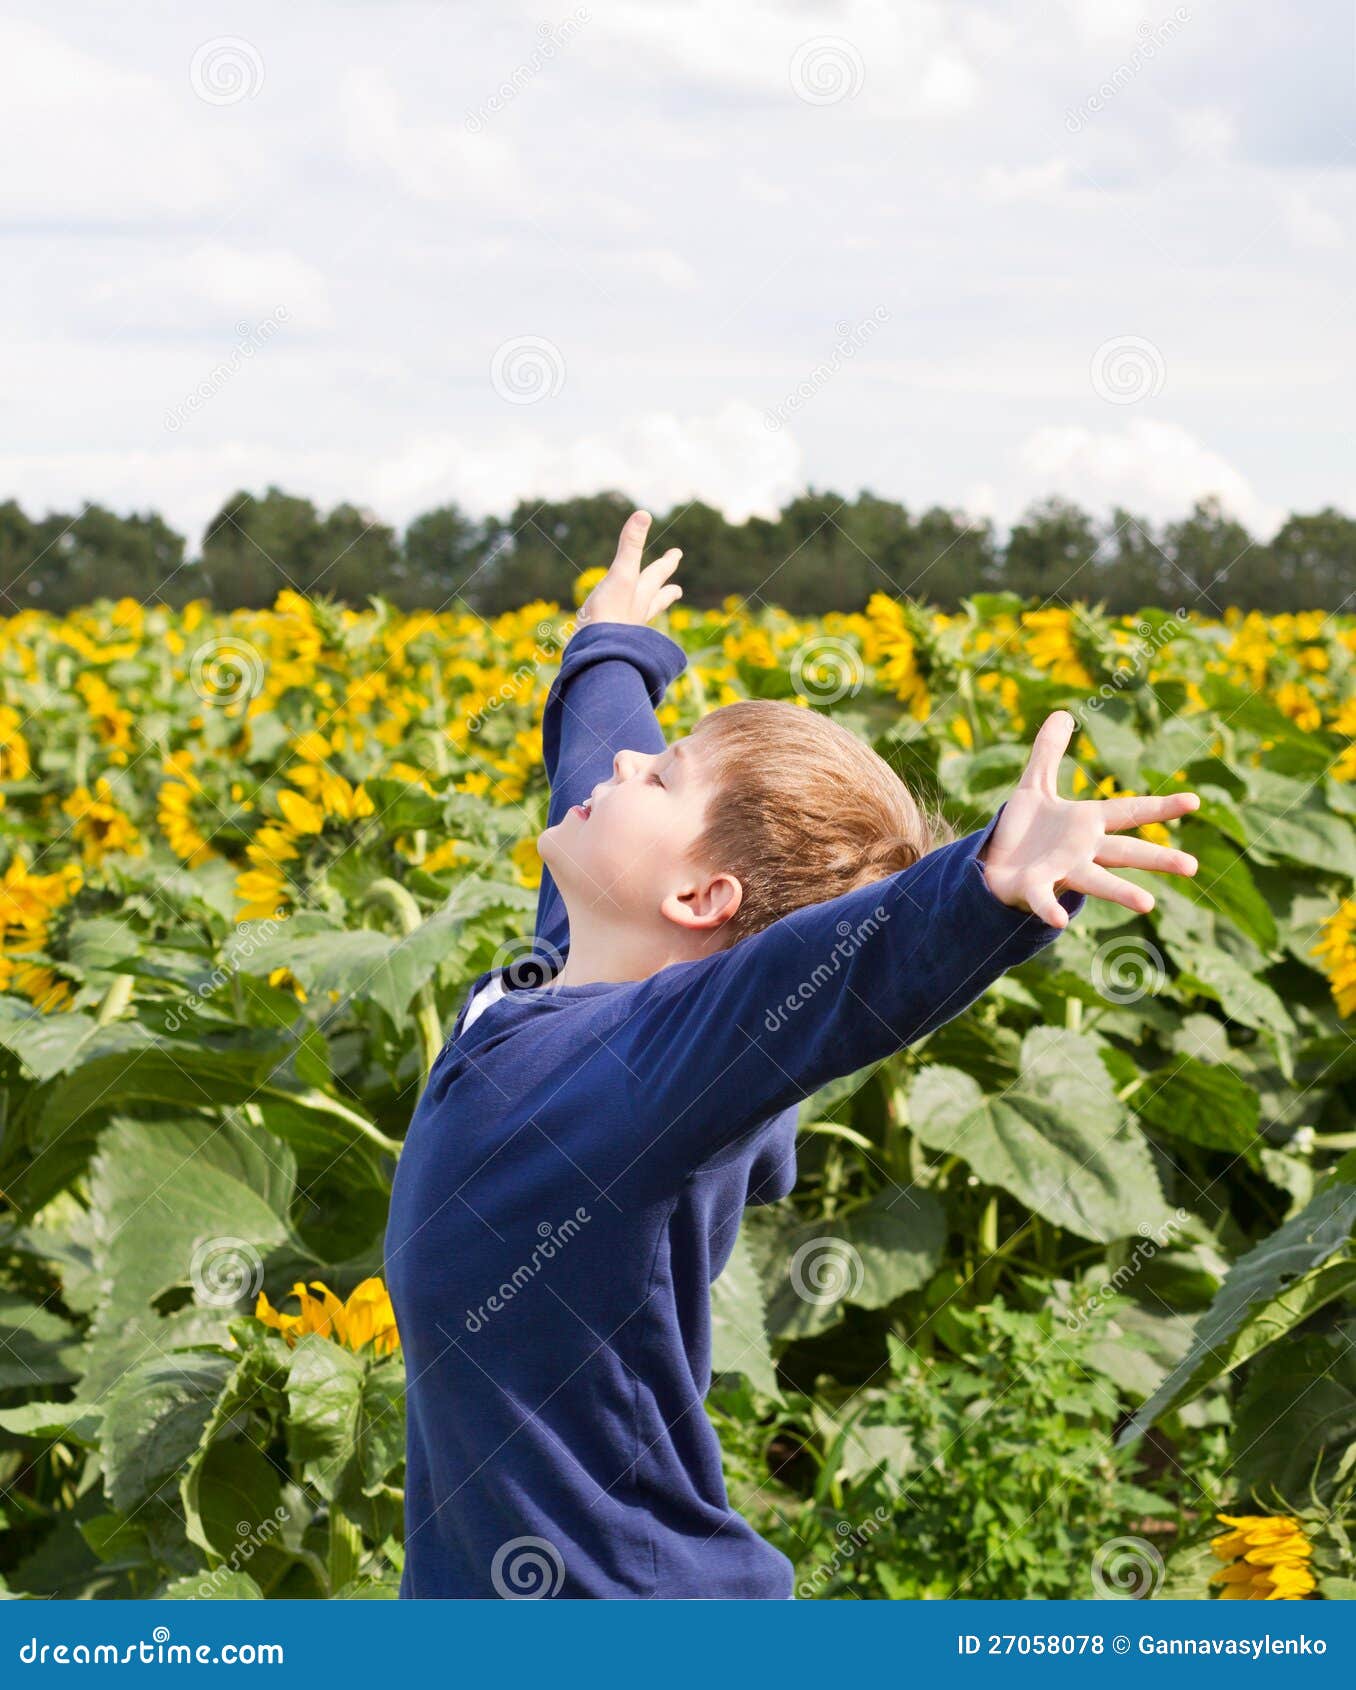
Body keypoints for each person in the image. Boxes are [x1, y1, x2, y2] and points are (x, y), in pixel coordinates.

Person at [383, 510, 1200, 1599]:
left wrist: (986, 888)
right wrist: (611, 642)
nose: (628, 765)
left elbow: (827, 983)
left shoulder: (656, 1064)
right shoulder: (575, 968)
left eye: (663, 778)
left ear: (702, 896)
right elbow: (596, 755)